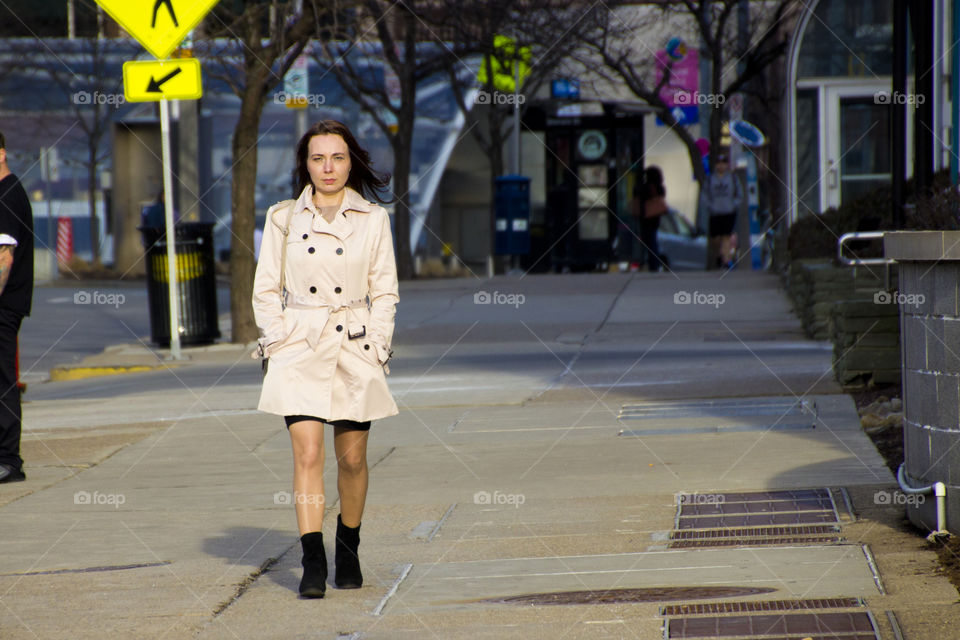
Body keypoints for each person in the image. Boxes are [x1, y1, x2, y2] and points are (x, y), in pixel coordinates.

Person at [252, 120, 399, 599]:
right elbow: (266, 288)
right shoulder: (282, 218)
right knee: (307, 453)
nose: (328, 168)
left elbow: (386, 291)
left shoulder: (373, 218)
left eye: (337, 157)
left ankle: (348, 547)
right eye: (318, 158)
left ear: (350, 160)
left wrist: (377, 347)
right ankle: (312, 559)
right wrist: (276, 342)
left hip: (354, 344)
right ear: (305, 164)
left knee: (352, 459)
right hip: (300, 345)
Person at [0, 132, 34, 484]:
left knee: (3, 381)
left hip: (4, 305)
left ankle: (8, 461)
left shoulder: (6, 196)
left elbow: (4, 256)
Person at [701, 152, 743, 269]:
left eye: (723, 163)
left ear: (727, 165)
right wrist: (709, 205)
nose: (721, 166)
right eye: (719, 163)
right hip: (715, 212)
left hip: (729, 212)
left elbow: (739, 194)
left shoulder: (732, 178)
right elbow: (704, 194)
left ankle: (725, 260)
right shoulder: (710, 179)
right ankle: (720, 254)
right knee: (716, 238)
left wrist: (734, 204)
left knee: (726, 236)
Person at [637, 165, 667, 272]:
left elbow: (640, 199)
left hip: (646, 219)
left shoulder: (646, 187)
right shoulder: (660, 188)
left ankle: (647, 263)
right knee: (653, 242)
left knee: (647, 242)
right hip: (655, 220)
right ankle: (653, 264)